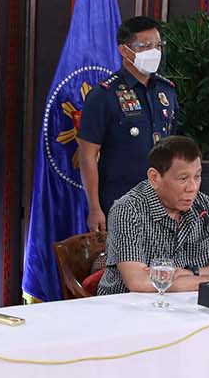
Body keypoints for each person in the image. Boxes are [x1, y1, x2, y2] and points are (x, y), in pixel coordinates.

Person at [96, 136, 209, 296]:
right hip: (126, 308)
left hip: (185, 305)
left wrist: (192, 272)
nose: (192, 188)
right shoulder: (127, 210)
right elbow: (138, 282)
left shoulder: (205, 206)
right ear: (155, 177)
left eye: (197, 176)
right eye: (183, 178)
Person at [77, 15, 181, 232]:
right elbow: (87, 156)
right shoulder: (104, 95)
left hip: (162, 204)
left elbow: (174, 148)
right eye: (145, 46)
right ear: (125, 51)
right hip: (119, 203)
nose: (155, 52)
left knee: (161, 265)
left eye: (158, 45)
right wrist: (94, 208)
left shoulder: (166, 90)